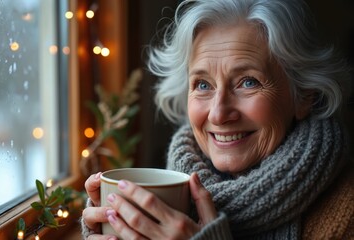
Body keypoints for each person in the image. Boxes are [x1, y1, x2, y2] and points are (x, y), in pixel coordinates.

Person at [81, 0, 353, 239]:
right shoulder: (169, 191)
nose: (218, 114)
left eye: (248, 82)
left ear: (303, 95)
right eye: (202, 84)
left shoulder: (346, 210)